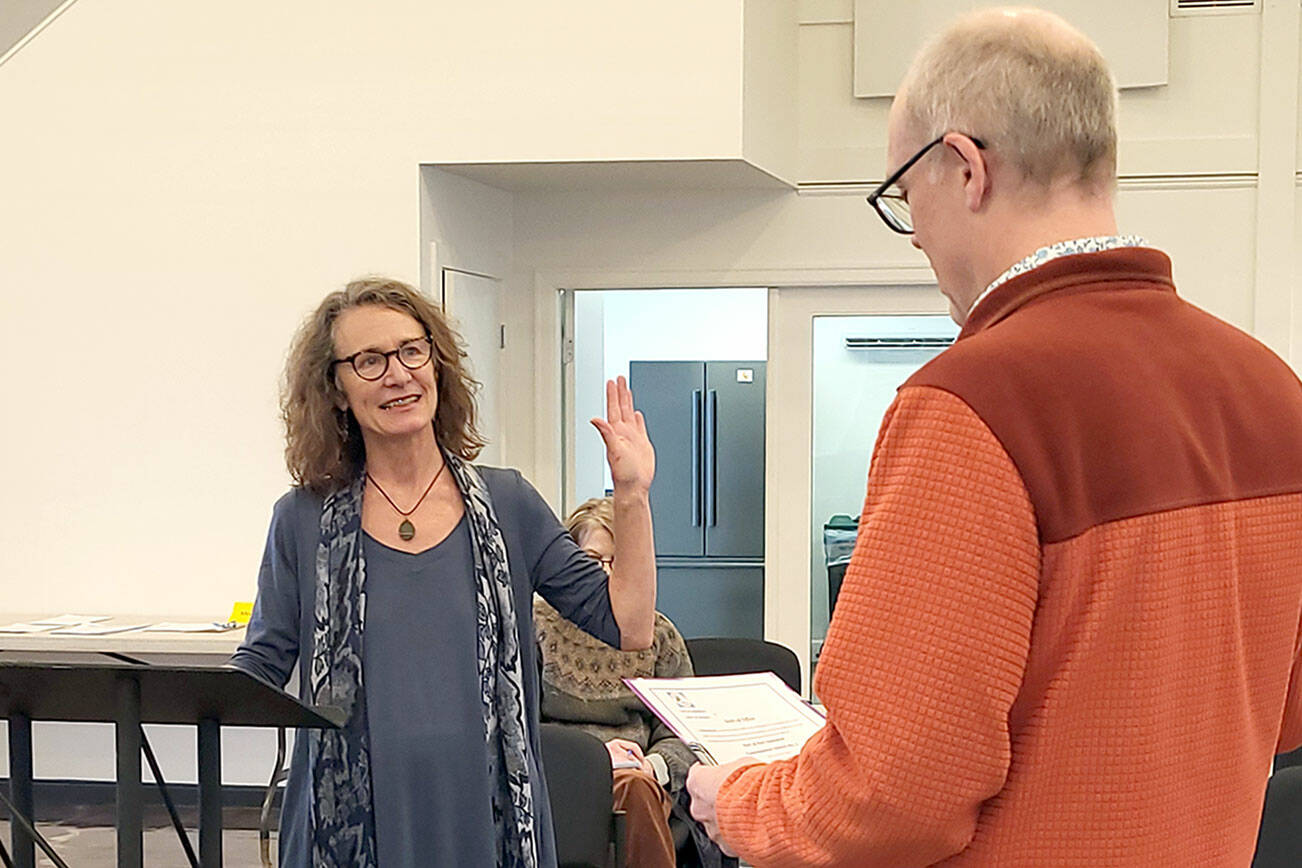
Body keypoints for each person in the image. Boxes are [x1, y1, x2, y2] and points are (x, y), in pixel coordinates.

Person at [687, 8, 1302, 866]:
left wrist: (743, 801)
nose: (921, 241)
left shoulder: (972, 403)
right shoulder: (1272, 389)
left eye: (907, 201)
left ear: (966, 168)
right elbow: (1278, 711)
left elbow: (889, 799)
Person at [230, 277, 657, 868]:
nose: (398, 374)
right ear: (335, 388)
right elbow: (262, 663)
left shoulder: (508, 504)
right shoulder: (302, 520)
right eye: (369, 361)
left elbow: (628, 624)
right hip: (349, 828)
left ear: (437, 362)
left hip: (485, 821)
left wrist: (631, 494)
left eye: (412, 350)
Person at [534, 496, 697, 868]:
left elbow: (684, 733)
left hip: (641, 777)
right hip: (560, 775)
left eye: (618, 561)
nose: (606, 574)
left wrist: (654, 766)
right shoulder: (537, 625)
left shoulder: (658, 634)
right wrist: (591, 760)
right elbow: (519, 724)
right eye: (592, 560)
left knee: (636, 789)